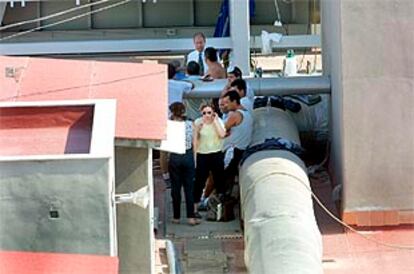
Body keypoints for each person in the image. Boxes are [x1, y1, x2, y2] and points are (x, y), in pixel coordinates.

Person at [161, 64, 194, 186]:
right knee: (181, 148)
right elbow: (191, 85)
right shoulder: (179, 84)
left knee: (164, 150)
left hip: (163, 120)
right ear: (174, 74)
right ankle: (182, 174)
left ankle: (166, 175)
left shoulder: (157, 85)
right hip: (177, 119)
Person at [168, 102, 200, 226]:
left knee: (175, 188)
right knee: (189, 188)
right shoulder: (190, 124)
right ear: (183, 111)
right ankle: (191, 217)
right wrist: (195, 159)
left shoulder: (169, 125)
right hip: (188, 156)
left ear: (171, 111)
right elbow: (195, 143)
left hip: (174, 156)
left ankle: (176, 217)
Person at [193, 103, 226, 217]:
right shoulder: (198, 122)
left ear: (213, 113)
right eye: (204, 113)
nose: (207, 115)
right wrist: (195, 158)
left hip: (216, 153)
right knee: (199, 182)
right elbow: (195, 141)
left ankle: (220, 208)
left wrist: (215, 121)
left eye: (209, 113)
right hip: (202, 154)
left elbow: (222, 134)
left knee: (219, 180)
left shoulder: (218, 121)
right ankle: (195, 209)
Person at [220, 90, 253, 194]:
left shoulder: (235, 115)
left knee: (219, 177)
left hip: (232, 151)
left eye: (226, 103)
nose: (225, 106)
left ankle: (206, 199)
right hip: (239, 151)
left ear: (234, 101)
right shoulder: (247, 114)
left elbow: (221, 131)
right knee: (228, 178)